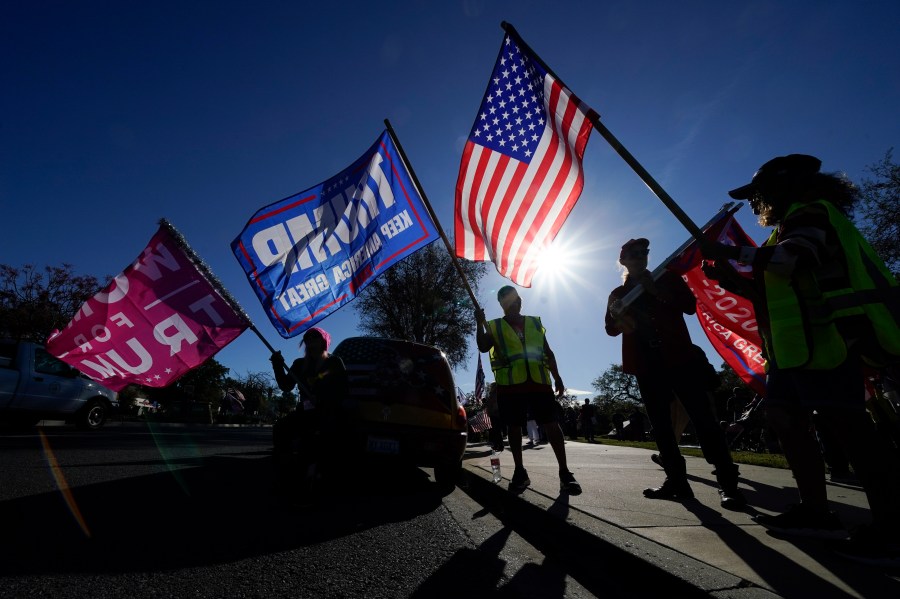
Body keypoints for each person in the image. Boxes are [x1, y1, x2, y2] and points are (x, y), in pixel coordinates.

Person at [702, 154, 900, 565]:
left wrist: (729, 251)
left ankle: (891, 528)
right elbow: (774, 291)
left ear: (783, 187)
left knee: (851, 431)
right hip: (792, 352)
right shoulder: (784, 230)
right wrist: (732, 280)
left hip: (829, 343)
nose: (756, 203)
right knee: (784, 419)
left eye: (759, 194)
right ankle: (816, 511)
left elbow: (796, 259)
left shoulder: (812, 214)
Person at [605, 238, 745, 508]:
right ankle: (677, 482)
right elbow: (611, 329)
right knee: (661, 426)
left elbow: (689, 306)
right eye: (633, 254)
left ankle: (728, 484)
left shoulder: (665, 278)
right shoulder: (618, 294)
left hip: (679, 358)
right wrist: (617, 314)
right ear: (623, 261)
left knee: (703, 419)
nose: (641, 257)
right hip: (647, 365)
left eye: (644, 252)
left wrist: (655, 291)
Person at [475, 286, 582, 494]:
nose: (511, 303)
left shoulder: (534, 323)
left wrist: (557, 377)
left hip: (539, 383)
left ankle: (565, 473)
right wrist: (479, 324)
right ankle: (519, 472)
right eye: (505, 300)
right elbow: (482, 346)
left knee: (552, 424)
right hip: (511, 386)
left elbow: (548, 352)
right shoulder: (494, 326)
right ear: (501, 304)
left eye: (514, 299)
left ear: (520, 301)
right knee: (514, 428)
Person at [270, 327, 348, 499]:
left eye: (315, 336)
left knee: (319, 439)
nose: (311, 339)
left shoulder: (334, 362)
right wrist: (277, 364)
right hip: (305, 412)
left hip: (328, 412)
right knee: (281, 428)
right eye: (308, 337)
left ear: (323, 341)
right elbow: (286, 385)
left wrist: (322, 399)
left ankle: (317, 479)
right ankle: (284, 471)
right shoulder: (299, 364)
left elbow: (343, 390)